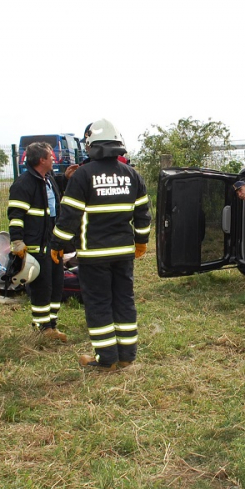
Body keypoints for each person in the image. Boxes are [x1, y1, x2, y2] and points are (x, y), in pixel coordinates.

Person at [51, 119, 151, 371]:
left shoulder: (83, 175)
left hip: (94, 255)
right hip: (123, 254)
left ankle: (106, 360)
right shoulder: (132, 175)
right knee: (124, 301)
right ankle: (127, 356)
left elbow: (70, 215)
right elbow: (143, 214)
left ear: (91, 145)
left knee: (99, 304)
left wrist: (58, 244)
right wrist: (141, 241)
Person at [8, 141, 65, 342]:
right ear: (41, 160)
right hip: (35, 244)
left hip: (52, 241)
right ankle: (42, 328)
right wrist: (17, 241)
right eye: (51, 156)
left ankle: (52, 324)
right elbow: (16, 215)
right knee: (42, 286)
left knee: (57, 283)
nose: (54, 159)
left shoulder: (48, 179)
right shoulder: (23, 184)